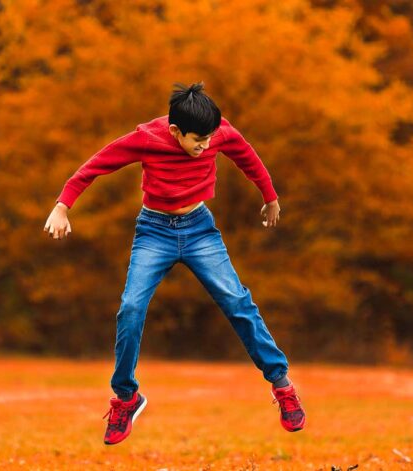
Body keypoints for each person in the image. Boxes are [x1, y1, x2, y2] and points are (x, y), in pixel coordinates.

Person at [44, 81, 306, 445]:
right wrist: (62, 205)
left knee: (236, 301)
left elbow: (248, 157)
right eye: (197, 139)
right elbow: (97, 165)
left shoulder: (219, 134)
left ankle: (282, 386)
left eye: (210, 139)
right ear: (174, 131)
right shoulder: (148, 139)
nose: (205, 146)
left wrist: (270, 197)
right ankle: (126, 398)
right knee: (131, 308)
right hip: (154, 232)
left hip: (199, 230)